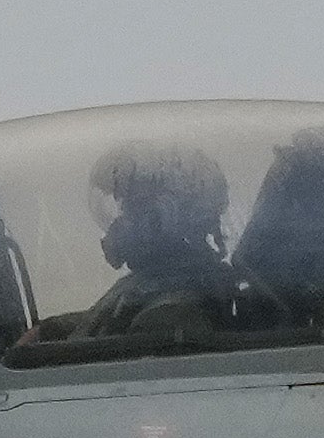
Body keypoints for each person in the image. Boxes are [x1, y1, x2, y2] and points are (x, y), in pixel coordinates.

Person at [76, 140, 278, 344]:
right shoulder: (163, 284)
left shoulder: (169, 315)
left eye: (131, 210)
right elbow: (101, 321)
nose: (118, 224)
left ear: (165, 216)